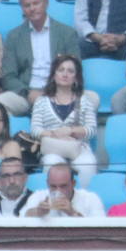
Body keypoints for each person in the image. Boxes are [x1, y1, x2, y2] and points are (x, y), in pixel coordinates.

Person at [0, 0, 86, 117]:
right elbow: (8, 76)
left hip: (61, 92)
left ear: (46, 3)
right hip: (26, 94)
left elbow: (76, 70)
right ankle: (16, 138)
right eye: (27, 5)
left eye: (36, 3)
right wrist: (28, 92)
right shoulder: (14, 36)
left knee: (92, 99)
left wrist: (58, 91)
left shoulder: (67, 33)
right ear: (22, 8)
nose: (32, 8)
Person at [30, 53, 97, 185]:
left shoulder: (84, 100)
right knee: (51, 163)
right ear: (54, 75)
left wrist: (70, 131)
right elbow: (35, 130)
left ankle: (82, 200)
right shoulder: (41, 101)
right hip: (52, 147)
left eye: (70, 71)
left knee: (88, 164)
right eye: (61, 70)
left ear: (76, 77)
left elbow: (92, 129)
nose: (65, 74)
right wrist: (54, 134)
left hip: (78, 147)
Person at [23, 162, 104, 217]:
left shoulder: (90, 199)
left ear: (73, 184)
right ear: (47, 183)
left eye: (63, 186)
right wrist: (38, 211)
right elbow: (22, 217)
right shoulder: (39, 196)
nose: (58, 191)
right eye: (53, 186)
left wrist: (72, 213)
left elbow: (100, 229)